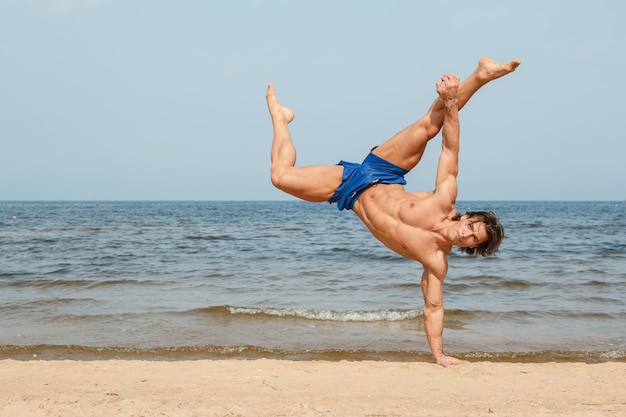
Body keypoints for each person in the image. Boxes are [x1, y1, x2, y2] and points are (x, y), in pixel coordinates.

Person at [266, 57, 521, 367]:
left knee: (279, 176)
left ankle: (280, 119)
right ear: (467, 217)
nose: (466, 235)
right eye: (471, 227)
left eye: (472, 240)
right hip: (383, 170)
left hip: (348, 189)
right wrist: (451, 103)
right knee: (431, 123)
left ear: (471, 248)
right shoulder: (443, 201)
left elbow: (434, 308)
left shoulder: (436, 261)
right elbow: (449, 150)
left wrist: (439, 355)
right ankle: (481, 75)